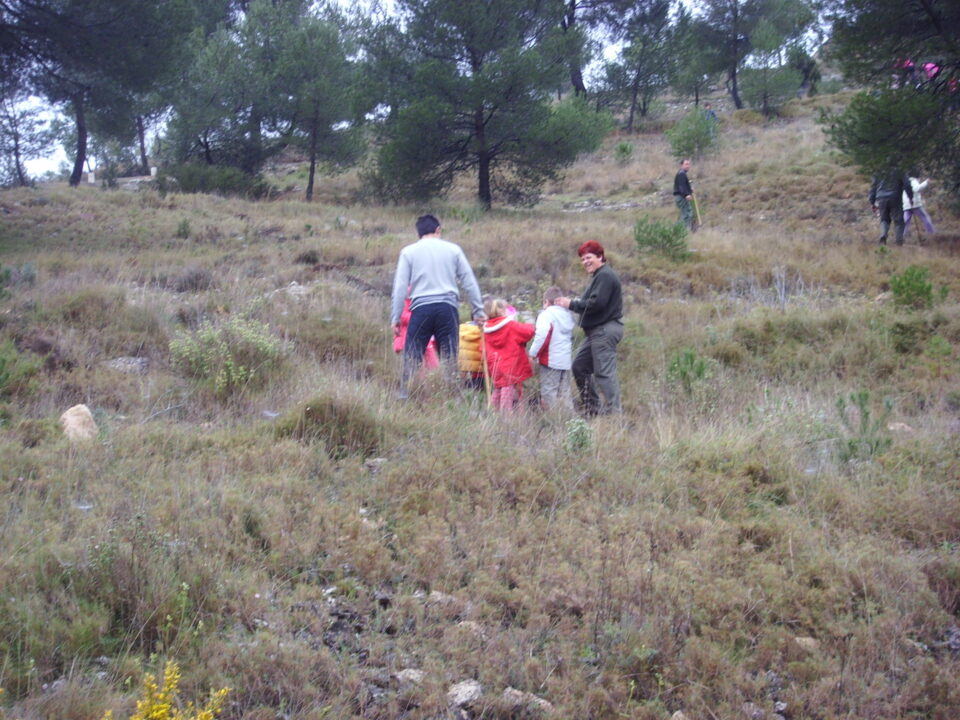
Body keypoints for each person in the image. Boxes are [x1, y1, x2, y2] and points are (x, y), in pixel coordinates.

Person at [390, 214, 485, 397]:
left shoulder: (408, 252)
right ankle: (452, 399)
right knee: (449, 358)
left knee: (412, 357)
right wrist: (478, 311)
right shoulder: (454, 250)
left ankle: (404, 396)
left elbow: (400, 288)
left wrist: (395, 318)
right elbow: (468, 281)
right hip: (447, 309)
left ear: (418, 234)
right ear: (438, 230)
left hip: (420, 309)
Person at [556, 241, 624, 415]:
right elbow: (593, 302)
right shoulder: (600, 276)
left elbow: (597, 303)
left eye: (589, 257)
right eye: (582, 259)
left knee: (604, 373)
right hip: (596, 332)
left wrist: (571, 304)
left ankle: (614, 415)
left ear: (600, 256)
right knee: (579, 367)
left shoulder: (605, 276)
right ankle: (593, 409)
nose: (585, 262)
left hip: (604, 330)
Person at [482, 297, 535, 413]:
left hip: (495, 366)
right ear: (501, 311)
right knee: (508, 390)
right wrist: (529, 325)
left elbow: (483, 349)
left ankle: (492, 413)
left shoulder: (486, 329)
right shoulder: (510, 325)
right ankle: (506, 420)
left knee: (498, 389)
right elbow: (528, 332)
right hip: (511, 366)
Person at [528, 286, 575, 411]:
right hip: (565, 361)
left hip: (550, 361)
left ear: (546, 302)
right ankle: (570, 420)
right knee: (565, 393)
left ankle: (552, 421)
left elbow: (542, 336)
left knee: (549, 393)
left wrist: (532, 354)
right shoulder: (567, 315)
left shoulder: (546, 315)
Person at [869, 171, 913, 245]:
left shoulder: (878, 169)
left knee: (884, 218)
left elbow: (873, 186)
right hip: (895, 197)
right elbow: (907, 184)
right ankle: (899, 241)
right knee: (898, 220)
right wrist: (910, 197)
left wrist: (872, 201)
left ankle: (883, 235)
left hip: (881, 198)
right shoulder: (899, 169)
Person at [903, 173, 934, 239]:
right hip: (915, 204)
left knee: (905, 221)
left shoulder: (904, 182)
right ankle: (931, 233)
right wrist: (926, 182)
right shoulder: (913, 181)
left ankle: (903, 235)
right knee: (925, 218)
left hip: (906, 205)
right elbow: (917, 189)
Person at [673, 158, 695, 231]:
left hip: (681, 196)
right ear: (681, 165)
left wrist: (690, 190)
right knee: (686, 214)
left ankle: (679, 230)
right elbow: (681, 186)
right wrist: (686, 195)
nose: (688, 166)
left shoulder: (682, 173)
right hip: (681, 197)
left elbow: (683, 185)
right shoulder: (681, 174)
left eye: (688, 164)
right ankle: (682, 230)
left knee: (687, 212)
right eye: (686, 164)